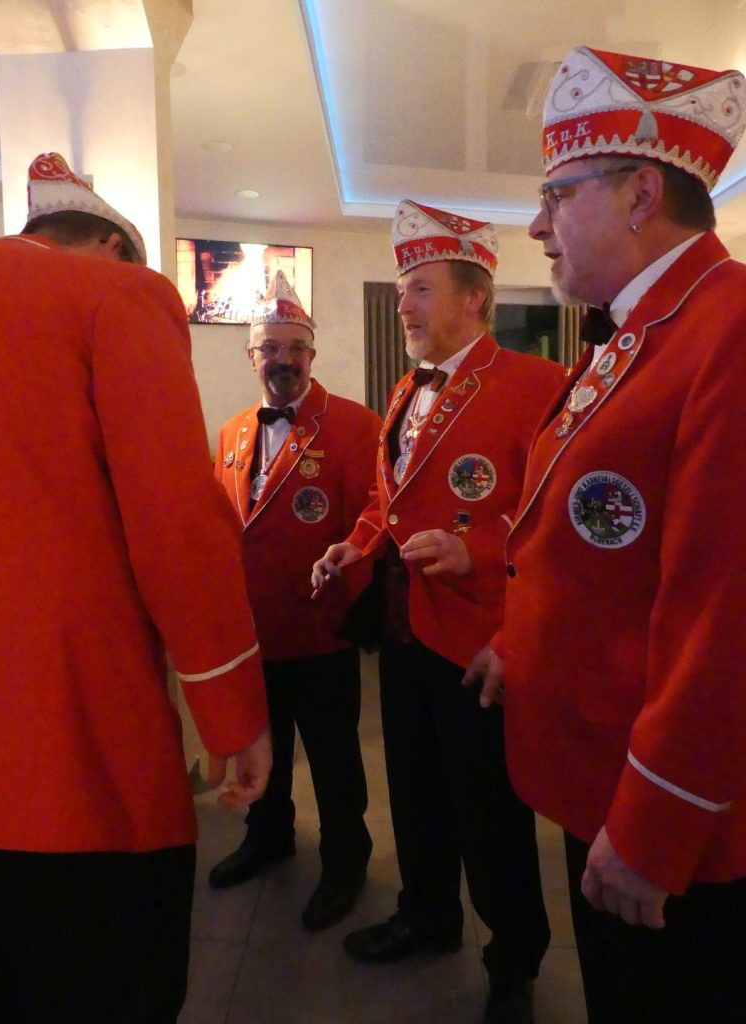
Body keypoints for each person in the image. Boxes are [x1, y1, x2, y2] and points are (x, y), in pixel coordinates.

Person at [465, 46, 746, 1024]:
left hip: (671, 813)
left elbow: (725, 613)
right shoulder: (639, 332)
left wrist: (659, 821)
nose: (537, 226)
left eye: (557, 194)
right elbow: (587, 540)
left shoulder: (727, 329)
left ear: (639, 194)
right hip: (599, 768)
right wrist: (520, 642)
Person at [0, 152, 271, 1024]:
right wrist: (232, 714)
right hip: (67, 761)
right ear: (112, 244)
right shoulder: (117, 296)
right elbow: (175, 523)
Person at [312, 200, 564, 1024]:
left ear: (474, 297)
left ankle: (514, 959)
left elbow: (556, 514)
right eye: (400, 294)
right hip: (404, 625)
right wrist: (356, 544)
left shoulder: (536, 384)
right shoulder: (404, 389)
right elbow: (389, 499)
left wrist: (478, 549)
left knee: (489, 810)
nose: (405, 306)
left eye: (420, 289)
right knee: (414, 789)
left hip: (482, 634)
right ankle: (427, 913)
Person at [208, 270, 381, 931]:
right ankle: (269, 833)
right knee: (265, 743)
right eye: (270, 348)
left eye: (295, 348)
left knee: (334, 756)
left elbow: (374, 518)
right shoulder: (231, 433)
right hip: (252, 631)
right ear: (251, 355)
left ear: (313, 354)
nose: (283, 359)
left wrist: (350, 594)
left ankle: (346, 859)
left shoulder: (356, 425)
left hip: (319, 626)